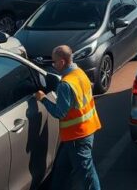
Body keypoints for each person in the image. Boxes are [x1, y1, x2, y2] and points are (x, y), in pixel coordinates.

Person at [35, 45, 102, 190]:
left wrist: (43, 99)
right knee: (61, 168)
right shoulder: (79, 73)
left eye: (54, 61)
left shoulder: (66, 85)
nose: (52, 64)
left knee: (87, 173)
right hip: (85, 130)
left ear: (62, 62)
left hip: (77, 137)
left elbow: (59, 113)